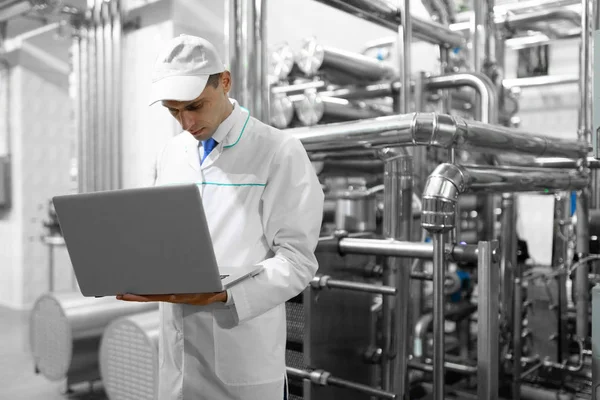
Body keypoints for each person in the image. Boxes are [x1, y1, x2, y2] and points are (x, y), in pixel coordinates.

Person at [116, 34, 324, 400]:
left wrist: (224, 295)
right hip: (178, 353)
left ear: (224, 82)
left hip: (241, 354)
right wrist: (139, 264)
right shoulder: (172, 153)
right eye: (173, 110)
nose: (186, 122)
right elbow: (163, 235)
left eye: (195, 106)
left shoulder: (278, 151)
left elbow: (297, 261)